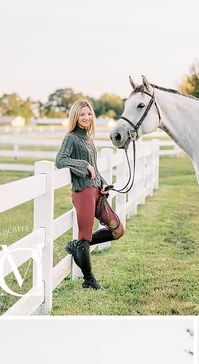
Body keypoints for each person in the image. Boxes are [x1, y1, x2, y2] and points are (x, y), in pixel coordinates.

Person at [55, 100, 124, 290]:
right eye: (82, 114)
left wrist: (102, 183)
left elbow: (95, 167)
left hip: (96, 192)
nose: (86, 117)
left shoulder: (88, 138)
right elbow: (60, 160)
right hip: (83, 192)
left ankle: (77, 246)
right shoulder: (71, 138)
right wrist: (83, 166)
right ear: (75, 117)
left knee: (117, 230)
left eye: (89, 114)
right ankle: (89, 279)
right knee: (84, 236)